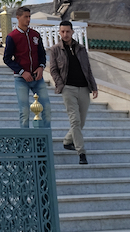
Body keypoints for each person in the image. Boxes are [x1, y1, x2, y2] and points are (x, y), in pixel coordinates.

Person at [48, 19, 97, 164]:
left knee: (81, 122)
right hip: (68, 88)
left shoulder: (81, 49)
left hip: (84, 88)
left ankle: (67, 140)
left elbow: (88, 69)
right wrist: (61, 84)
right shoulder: (55, 49)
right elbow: (53, 70)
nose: (65, 34)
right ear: (59, 32)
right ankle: (81, 152)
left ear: (72, 32)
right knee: (75, 120)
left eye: (67, 31)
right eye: (62, 31)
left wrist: (94, 86)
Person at [3, 5, 51, 129]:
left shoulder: (35, 35)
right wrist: (21, 71)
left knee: (46, 108)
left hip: (37, 78)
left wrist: (41, 67)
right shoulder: (12, 37)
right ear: (18, 18)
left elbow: (42, 54)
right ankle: (25, 139)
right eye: (25, 17)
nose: (28, 19)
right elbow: (7, 58)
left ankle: (44, 136)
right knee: (24, 112)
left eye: (29, 17)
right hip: (21, 79)